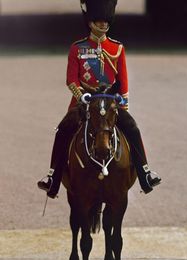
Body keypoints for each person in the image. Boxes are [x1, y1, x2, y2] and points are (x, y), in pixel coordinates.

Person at [38, 0, 161, 198]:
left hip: (110, 103)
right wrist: (82, 95)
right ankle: (53, 177)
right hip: (84, 103)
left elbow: (123, 80)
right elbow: (71, 80)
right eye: (100, 21)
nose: (104, 24)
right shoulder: (77, 48)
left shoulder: (117, 48)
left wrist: (124, 104)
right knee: (63, 130)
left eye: (106, 21)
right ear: (90, 22)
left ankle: (145, 172)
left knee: (133, 128)